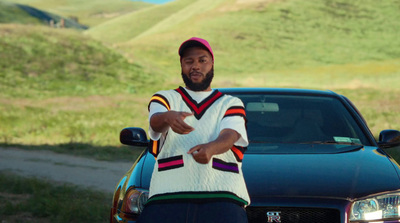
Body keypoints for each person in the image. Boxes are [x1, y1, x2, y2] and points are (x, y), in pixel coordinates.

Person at [137, 37, 250, 223]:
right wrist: (168, 117)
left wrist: (212, 148)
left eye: (202, 60)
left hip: (222, 194)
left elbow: (231, 134)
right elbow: (155, 121)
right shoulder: (165, 97)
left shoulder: (231, 102)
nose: (195, 66)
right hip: (167, 193)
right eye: (189, 61)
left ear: (212, 63)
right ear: (181, 65)